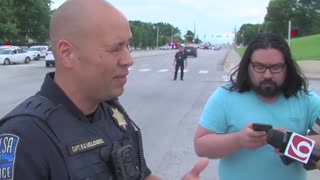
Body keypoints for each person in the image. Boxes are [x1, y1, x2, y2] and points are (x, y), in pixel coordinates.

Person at [0, 0, 208, 179]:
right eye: (115, 48)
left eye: (128, 46)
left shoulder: (112, 115)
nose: (128, 60)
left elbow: (140, 175)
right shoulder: (26, 137)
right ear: (67, 53)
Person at [194, 33, 320, 180]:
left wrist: (293, 142)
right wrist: (239, 140)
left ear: (287, 67)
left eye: (276, 67)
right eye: (259, 66)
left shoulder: (305, 98)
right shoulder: (225, 96)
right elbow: (201, 146)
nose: (267, 75)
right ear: (248, 66)